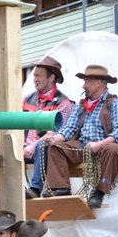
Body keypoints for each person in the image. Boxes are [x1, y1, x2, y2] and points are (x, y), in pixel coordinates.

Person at [43, 64, 118, 209]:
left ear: (99, 82)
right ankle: (62, 189)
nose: (84, 86)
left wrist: (99, 145)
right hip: (83, 147)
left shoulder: (115, 103)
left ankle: (99, 192)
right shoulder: (82, 105)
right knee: (55, 147)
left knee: (113, 149)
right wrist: (55, 138)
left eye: (87, 81)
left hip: (104, 148)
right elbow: (70, 128)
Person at [22, 56, 75, 200]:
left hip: (43, 149)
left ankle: (35, 188)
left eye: (38, 76)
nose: (35, 79)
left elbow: (55, 135)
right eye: (34, 76)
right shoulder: (27, 99)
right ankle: (13, 192)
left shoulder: (64, 103)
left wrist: (32, 146)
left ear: (51, 78)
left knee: (43, 145)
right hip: (25, 148)